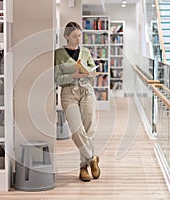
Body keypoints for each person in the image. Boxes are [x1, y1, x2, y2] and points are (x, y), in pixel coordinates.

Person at [54, 21, 100, 182]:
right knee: (76, 129)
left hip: (87, 92)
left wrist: (89, 73)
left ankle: (83, 168)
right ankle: (92, 158)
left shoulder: (86, 52)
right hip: (68, 93)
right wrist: (72, 76)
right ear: (66, 36)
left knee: (89, 130)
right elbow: (56, 78)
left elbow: (92, 71)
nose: (78, 39)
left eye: (79, 36)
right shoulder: (58, 54)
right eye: (74, 36)